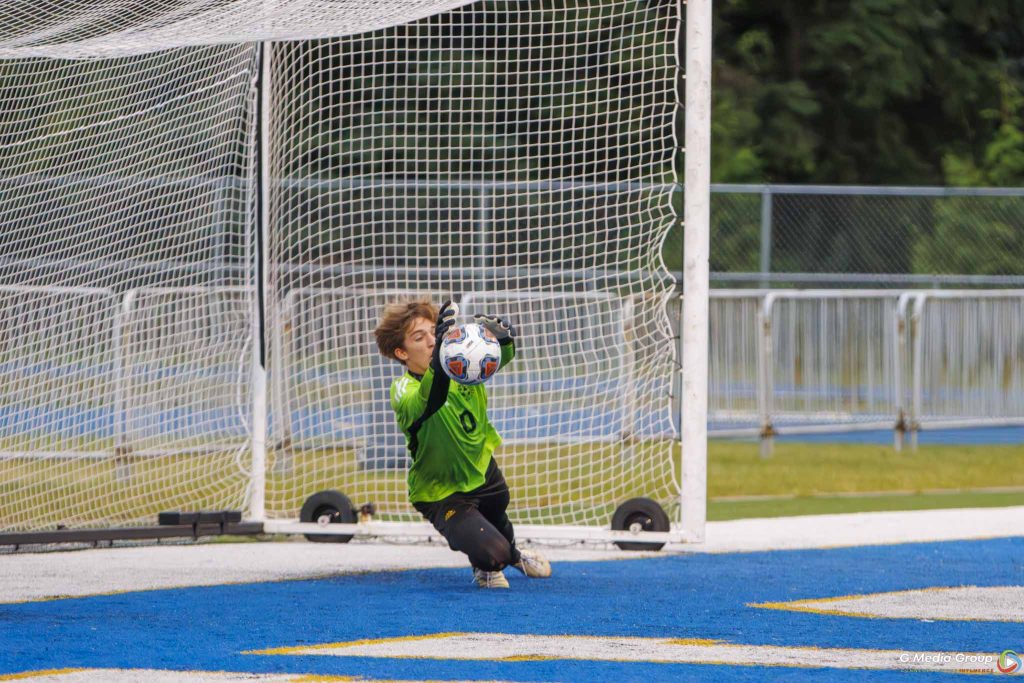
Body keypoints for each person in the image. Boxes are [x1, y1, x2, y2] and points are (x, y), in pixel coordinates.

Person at [373, 298, 551, 588]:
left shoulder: (462, 367)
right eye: (421, 337)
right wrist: (442, 355)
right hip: (441, 492)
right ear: (401, 352)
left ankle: (515, 554)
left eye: (434, 332)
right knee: (495, 554)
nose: (432, 341)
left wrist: (503, 340)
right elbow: (431, 398)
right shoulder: (402, 390)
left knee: (500, 512)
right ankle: (491, 563)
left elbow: (496, 358)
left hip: (482, 470)